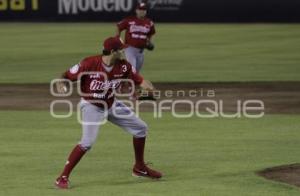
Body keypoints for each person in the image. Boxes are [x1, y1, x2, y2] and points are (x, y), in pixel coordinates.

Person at [54, 37, 162, 189]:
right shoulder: (89, 63)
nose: (123, 52)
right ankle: (62, 177)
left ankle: (139, 168)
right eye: (121, 50)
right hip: (91, 106)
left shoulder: (124, 66)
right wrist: (60, 83)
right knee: (87, 142)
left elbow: (142, 81)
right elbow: (65, 76)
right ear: (113, 52)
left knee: (141, 128)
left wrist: (150, 90)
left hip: (112, 104)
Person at [116, 2, 155, 73]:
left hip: (141, 51)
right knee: (132, 70)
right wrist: (117, 37)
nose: (142, 11)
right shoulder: (129, 20)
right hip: (130, 49)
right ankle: (124, 82)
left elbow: (151, 33)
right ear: (136, 10)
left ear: (146, 11)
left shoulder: (149, 23)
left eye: (144, 10)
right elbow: (119, 26)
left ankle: (125, 82)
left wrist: (149, 41)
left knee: (136, 73)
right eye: (140, 10)